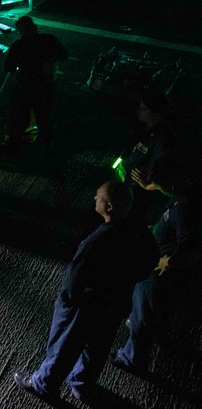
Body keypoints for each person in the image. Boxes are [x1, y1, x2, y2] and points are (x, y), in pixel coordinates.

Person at [14, 181, 160, 403]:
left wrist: (67, 301)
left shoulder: (101, 237)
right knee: (97, 348)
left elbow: (76, 272)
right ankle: (82, 385)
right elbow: (150, 260)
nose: (95, 199)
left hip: (87, 304)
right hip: (116, 303)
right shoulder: (139, 232)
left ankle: (44, 384)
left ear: (109, 206)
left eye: (98, 196)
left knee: (64, 345)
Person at [112, 158, 200, 374]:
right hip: (170, 280)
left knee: (142, 315)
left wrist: (167, 261)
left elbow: (191, 248)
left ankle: (131, 358)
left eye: (159, 186)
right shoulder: (186, 194)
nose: (157, 190)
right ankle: (158, 330)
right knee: (160, 309)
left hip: (158, 277)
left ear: (171, 183)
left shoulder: (184, 208)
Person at [0, 15, 68, 158]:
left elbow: (8, 67)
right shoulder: (49, 39)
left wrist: (19, 67)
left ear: (20, 30)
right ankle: (48, 146)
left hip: (26, 86)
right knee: (44, 116)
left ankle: (13, 146)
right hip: (46, 85)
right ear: (34, 27)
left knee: (19, 116)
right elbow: (64, 56)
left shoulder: (19, 45)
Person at [117, 89, 176, 225]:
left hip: (138, 194)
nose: (139, 111)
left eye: (144, 109)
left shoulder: (162, 139)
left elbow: (161, 168)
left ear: (156, 115)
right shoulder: (143, 129)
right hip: (127, 184)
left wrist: (147, 182)